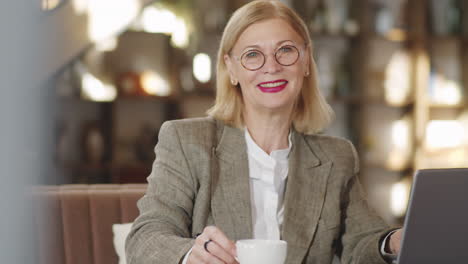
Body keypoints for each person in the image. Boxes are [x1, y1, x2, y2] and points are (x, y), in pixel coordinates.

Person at [125, 1, 402, 263]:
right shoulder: (187, 142)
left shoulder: (336, 156)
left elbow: (363, 242)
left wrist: (394, 242)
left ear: (305, 61)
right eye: (253, 55)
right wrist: (191, 255)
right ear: (231, 68)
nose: (271, 66)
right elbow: (145, 238)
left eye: (285, 50)